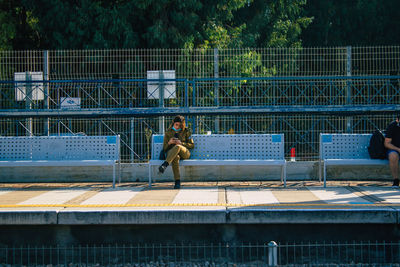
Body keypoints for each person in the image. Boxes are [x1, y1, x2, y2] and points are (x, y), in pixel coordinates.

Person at [158, 115, 194, 189]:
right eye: (176, 125)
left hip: (184, 152)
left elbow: (192, 145)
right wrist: (169, 143)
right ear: (173, 123)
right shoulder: (168, 132)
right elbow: (164, 148)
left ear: (182, 125)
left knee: (177, 147)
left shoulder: (186, 131)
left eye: (179, 125)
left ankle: (165, 164)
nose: (177, 127)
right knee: (175, 157)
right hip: (171, 154)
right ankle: (177, 182)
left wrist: (181, 143)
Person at [384, 114, 400, 186]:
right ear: (397, 120)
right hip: (394, 149)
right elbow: (387, 143)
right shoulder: (392, 126)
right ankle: (396, 180)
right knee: (393, 155)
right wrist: (398, 149)